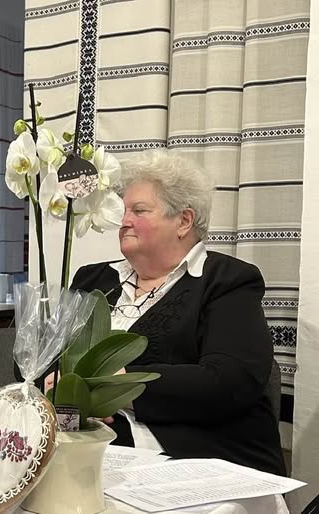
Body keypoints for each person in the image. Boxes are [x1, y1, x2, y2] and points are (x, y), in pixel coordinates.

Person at [70, 149, 286, 476]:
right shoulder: (92, 279)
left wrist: (114, 387)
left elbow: (229, 382)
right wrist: (64, 391)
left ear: (183, 221)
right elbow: (38, 358)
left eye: (139, 210)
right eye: (124, 210)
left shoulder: (228, 281)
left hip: (193, 456)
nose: (123, 221)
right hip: (89, 444)